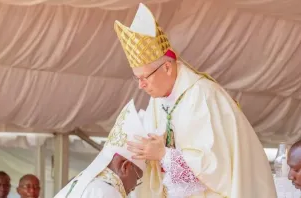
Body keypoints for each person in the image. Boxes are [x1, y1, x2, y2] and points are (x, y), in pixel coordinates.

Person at [114, 3, 277, 198]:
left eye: (144, 77)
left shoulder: (203, 96)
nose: (141, 85)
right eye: (137, 78)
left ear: (167, 67)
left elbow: (216, 168)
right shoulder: (157, 101)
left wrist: (164, 155)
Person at [54, 100, 147, 198]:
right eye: (137, 178)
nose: (133, 187)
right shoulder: (107, 192)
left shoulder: (83, 183)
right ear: (125, 166)